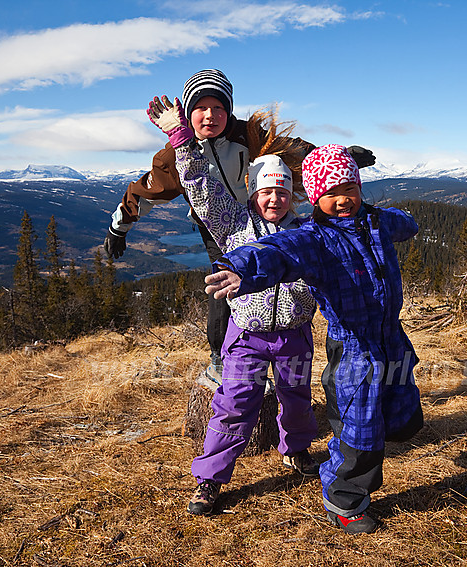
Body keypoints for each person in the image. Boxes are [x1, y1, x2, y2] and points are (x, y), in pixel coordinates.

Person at [204, 144, 424, 534]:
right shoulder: (314, 238)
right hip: (355, 347)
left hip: (392, 337)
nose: (343, 200)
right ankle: (344, 499)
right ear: (315, 198)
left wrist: (399, 219)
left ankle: (389, 432)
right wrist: (239, 267)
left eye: (350, 189)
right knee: (359, 428)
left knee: (402, 411)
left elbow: (404, 223)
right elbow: (276, 251)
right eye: (331, 193)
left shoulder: (374, 222)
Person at [103, 69, 376, 383]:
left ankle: (280, 338)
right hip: (218, 225)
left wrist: (337, 156)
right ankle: (222, 355)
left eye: (218, 108)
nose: (210, 116)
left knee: (280, 270)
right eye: (201, 108)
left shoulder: (246, 134)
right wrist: (119, 227)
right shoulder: (173, 157)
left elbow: (292, 147)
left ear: (228, 110)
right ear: (187, 112)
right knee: (226, 281)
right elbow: (144, 192)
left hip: (263, 214)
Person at [148, 96, 320, 515]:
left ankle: (295, 451)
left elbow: (341, 212)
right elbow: (202, 189)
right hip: (247, 336)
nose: (274, 199)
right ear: (253, 192)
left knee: (296, 398)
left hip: (294, 334)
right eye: (266, 191)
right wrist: (181, 140)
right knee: (234, 405)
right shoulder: (234, 224)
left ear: (292, 193)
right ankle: (209, 479)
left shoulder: (306, 230)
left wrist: (337, 162)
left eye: (281, 191)